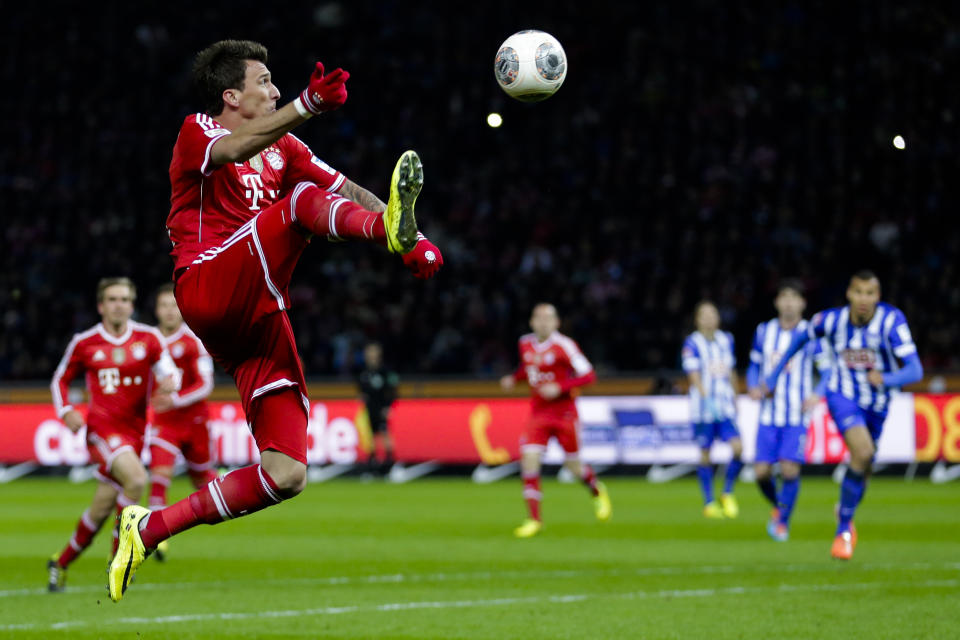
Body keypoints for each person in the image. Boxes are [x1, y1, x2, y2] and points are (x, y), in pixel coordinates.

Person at [108, 39, 443, 601]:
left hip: (257, 319)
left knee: (287, 474)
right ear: (230, 94)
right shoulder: (197, 133)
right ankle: (383, 231)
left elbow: (345, 190)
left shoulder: (285, 145)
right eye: (265, 81)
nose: (277, 90)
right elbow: (237, 150)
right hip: (208, 285)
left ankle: (149, 527)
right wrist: (309, 105)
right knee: (296, 205)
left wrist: (406, 236)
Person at [764, 270, 923, 560]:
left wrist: (887, 379)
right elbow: (800, 338)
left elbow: (915, 370)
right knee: (861, 452)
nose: (863, 299)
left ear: (878, 296)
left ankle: (845, 511)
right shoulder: (831, 320)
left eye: (870, 293)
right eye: (858, 292)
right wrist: (774, 375)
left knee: (864, 466)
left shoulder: (891, 321)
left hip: (878, 403)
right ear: (849, 294)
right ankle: (843, 530)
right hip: (842, 395)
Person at [47, 278, 179, 592]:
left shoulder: (148, 338)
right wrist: (66, 410)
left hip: (135, 435)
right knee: (136, 480)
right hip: (101, 432)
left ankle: (59, 562)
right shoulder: (85, 342)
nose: (118, 304)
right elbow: (59, 380)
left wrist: (171, 383)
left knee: (102, 507)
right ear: (101, 305)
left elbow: (169, 371)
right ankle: (118, 560)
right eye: (112, 299)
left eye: (123, 299)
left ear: (131, 305)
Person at [500, 303, 611, 538]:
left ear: (556, 323)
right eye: (539, 318)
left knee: (574, 467)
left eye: (548, 318)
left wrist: (559, 387)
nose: (543, 322)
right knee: (529, 459)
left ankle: (596, 490)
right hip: (538, 413)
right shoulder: (525, 343)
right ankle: (534, 519)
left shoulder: (565, 345)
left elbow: (589, 375)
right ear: (532, 322)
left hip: (565, 414)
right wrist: (514, 378)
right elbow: (529, 370)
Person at [746, 280, 828, 541]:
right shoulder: (764, 332)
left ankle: (782, 521)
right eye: (785, 296)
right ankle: (779, 504)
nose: (789, 302)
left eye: (795, 297)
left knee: (790, 470)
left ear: (803, 303)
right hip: (769, 414)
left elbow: (826, 371)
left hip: (795, 415)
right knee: (761, 473)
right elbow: (753, 366)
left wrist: (817, 394)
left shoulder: (811, 333)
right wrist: (752, 386)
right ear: (777, 302)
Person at [147, 283, 219, 561]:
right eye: (164, 305)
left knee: (202, 479)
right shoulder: (148, 341)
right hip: (164, 421)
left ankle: (233, 499)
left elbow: (206, 384)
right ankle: (156, 538)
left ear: (181, 309)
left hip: (195, 420)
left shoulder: (194, 341)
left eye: (173, 306)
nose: (169, 311)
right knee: (159, 477)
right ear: (156, 309)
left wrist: (176, 399)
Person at [682, 301, 744, 519]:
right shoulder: (692, 343)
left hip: (725, 406)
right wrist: (706, 398)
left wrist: (735, 395)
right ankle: (709, 502)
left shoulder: (726, 340)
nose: (709, 318)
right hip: (703, 409)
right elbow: (693, 374)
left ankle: (727, 492)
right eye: (704, 315)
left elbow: (731, 370)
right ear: (697, 319)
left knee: (738, 448)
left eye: (712, 314)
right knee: (705, 453)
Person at [356, 342, 399, 475]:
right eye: (369, 353)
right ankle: (372, 464)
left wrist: (388, 406)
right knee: (371, 436)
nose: (370, 355)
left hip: (381, 408)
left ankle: (390, 462)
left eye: (373, 352)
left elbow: (393, 390)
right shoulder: (364, 372)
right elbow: (361, 391)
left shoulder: (385, 372)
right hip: (369, 409)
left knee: (385, 433)